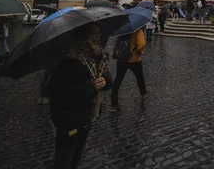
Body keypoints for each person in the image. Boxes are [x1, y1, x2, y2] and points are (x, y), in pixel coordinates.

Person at [49, 23, 112, 169]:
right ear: (83, 35)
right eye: (93, 34)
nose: (97, 37)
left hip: (86, 115)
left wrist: (106, 80)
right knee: (64, 159)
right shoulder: (69, 59)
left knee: (76, 156)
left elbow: (105, 76)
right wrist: (90, 87)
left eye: (99, 34)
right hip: (68, 118)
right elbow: (59, 92)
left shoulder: (99, 56)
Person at [110, 28, 148, 112]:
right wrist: (140, 52)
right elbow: (141, 44)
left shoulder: (122, 29)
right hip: (134, 59)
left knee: (118, 80)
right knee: (140, 77)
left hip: (121, 59)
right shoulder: (138, 30)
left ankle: (114, 103)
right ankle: (143, 92)